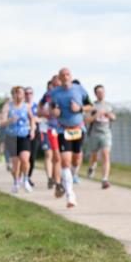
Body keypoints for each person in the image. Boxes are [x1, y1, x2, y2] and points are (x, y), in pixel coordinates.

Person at [48, 68, 91, 208]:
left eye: (68, 75)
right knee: (65, 161)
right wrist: (54, 112)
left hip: (78, 128)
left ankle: (69, 180)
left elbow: (90, 106)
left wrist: (78, 109)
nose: (66, 77)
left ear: (71, 77)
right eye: (63, 75)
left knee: (77, 159)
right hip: (63, 129)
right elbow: (52, 109)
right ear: (59, 78)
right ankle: (70, 195)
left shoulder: (80, 89)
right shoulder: (55, 93)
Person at [1, 86, 36, 193]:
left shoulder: (27, 106)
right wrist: (10, 120)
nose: (18, 95)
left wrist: (32, 130)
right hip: (11, 137)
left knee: (25, 159)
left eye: (20, 93)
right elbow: (2, 122)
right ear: (13, 95)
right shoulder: (7, 107)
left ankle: (25, 179)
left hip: (24, 136)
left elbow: (32, 119)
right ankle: (16, 182)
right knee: (15, 164)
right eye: (16, 93)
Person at [85, 84, 116, 189]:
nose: (101, 94)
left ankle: (105, 179)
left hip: (106, 133)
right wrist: (96, 115)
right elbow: (87, 120)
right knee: (94, 155)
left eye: (102, 92)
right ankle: (92, 166)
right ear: (95, 94)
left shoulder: (109, 105)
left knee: (106, 154)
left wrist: (109, 115)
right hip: (94, 133)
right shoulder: (92, 106)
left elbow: (114, 117)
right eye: (98, 92)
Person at [38, 76, 62, 190]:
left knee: (57, 156)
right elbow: (39, 109)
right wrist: (43, 113)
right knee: (49, 154)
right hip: (46, 128)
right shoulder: (47, 96)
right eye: (50, 87)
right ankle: (50, 178)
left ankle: (56, 177)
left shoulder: (63, 96)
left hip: (58, 129)